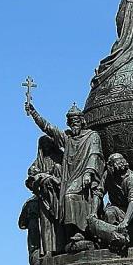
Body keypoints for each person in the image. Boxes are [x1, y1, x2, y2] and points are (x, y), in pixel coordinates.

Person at [25, 101, 104, 252]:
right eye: (71, 122)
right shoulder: (67, 138)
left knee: (69, 196)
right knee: (65, 197)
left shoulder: (92, 136)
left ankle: (81, 232)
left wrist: (88, 172)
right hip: (70, 177)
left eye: (76, 121)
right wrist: (34, 113)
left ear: (82, 121)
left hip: (85, 175)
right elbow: (48, 128)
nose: (74, 124)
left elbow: (95, 154)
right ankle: (71, 234)